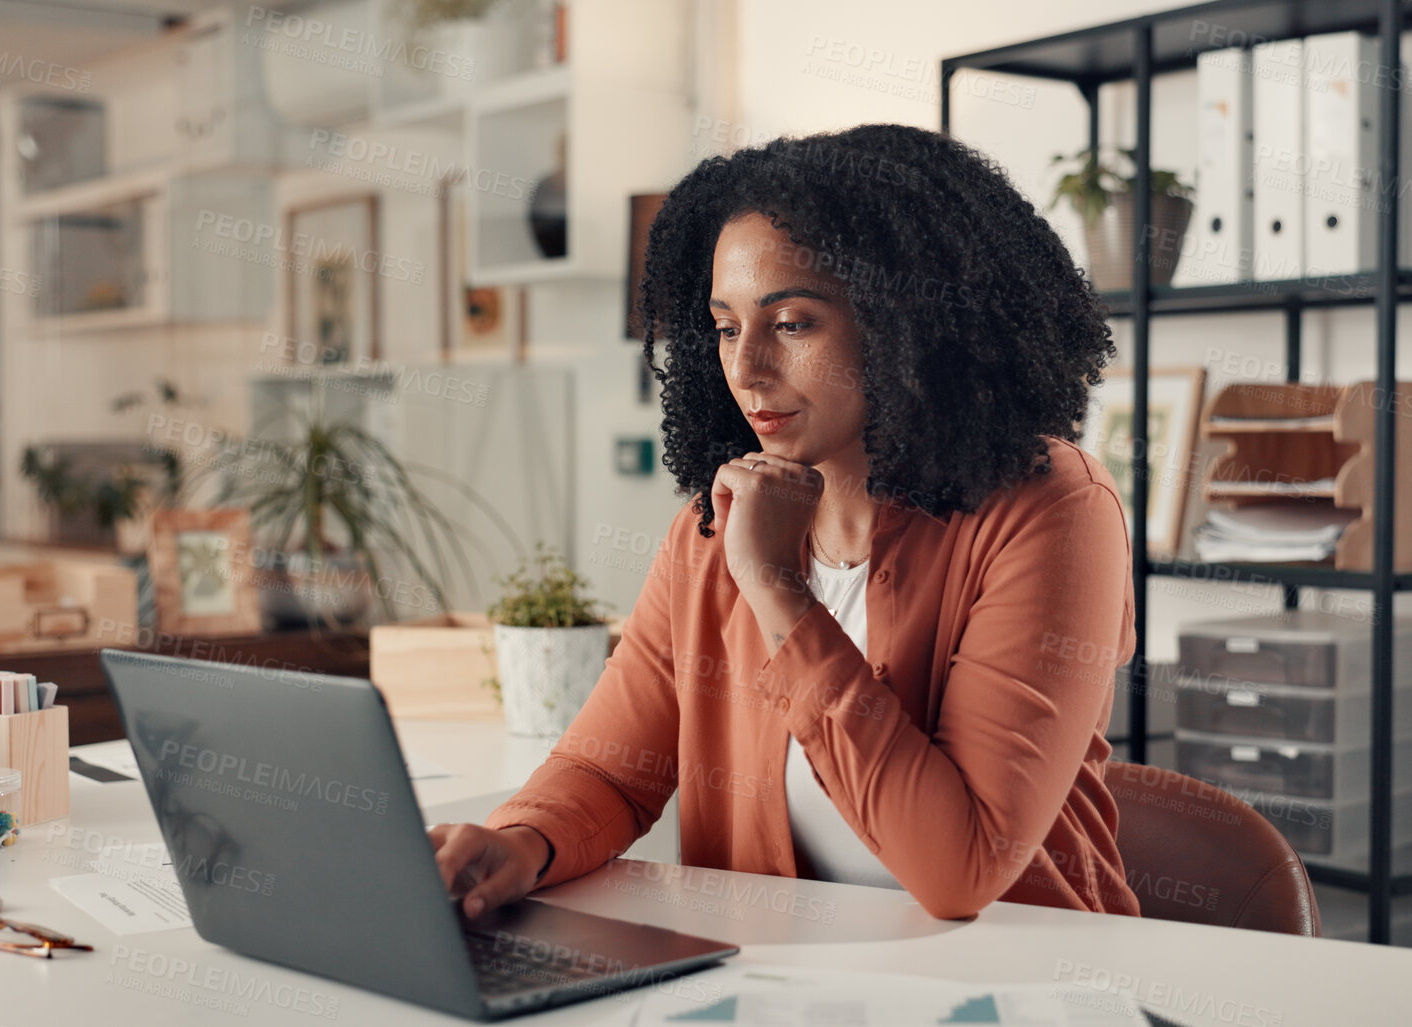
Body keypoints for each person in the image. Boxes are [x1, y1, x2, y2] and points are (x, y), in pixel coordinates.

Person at [429, 123, 1139, 921]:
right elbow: (611, 769)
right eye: (727, 327)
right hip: (779, 988)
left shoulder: (1050, 508)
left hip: (1015, 985)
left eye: (792, 322)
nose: (745, 367)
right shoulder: (711, 527)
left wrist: (774, 587)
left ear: (906, 321)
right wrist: (520, 841)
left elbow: (959, 868)